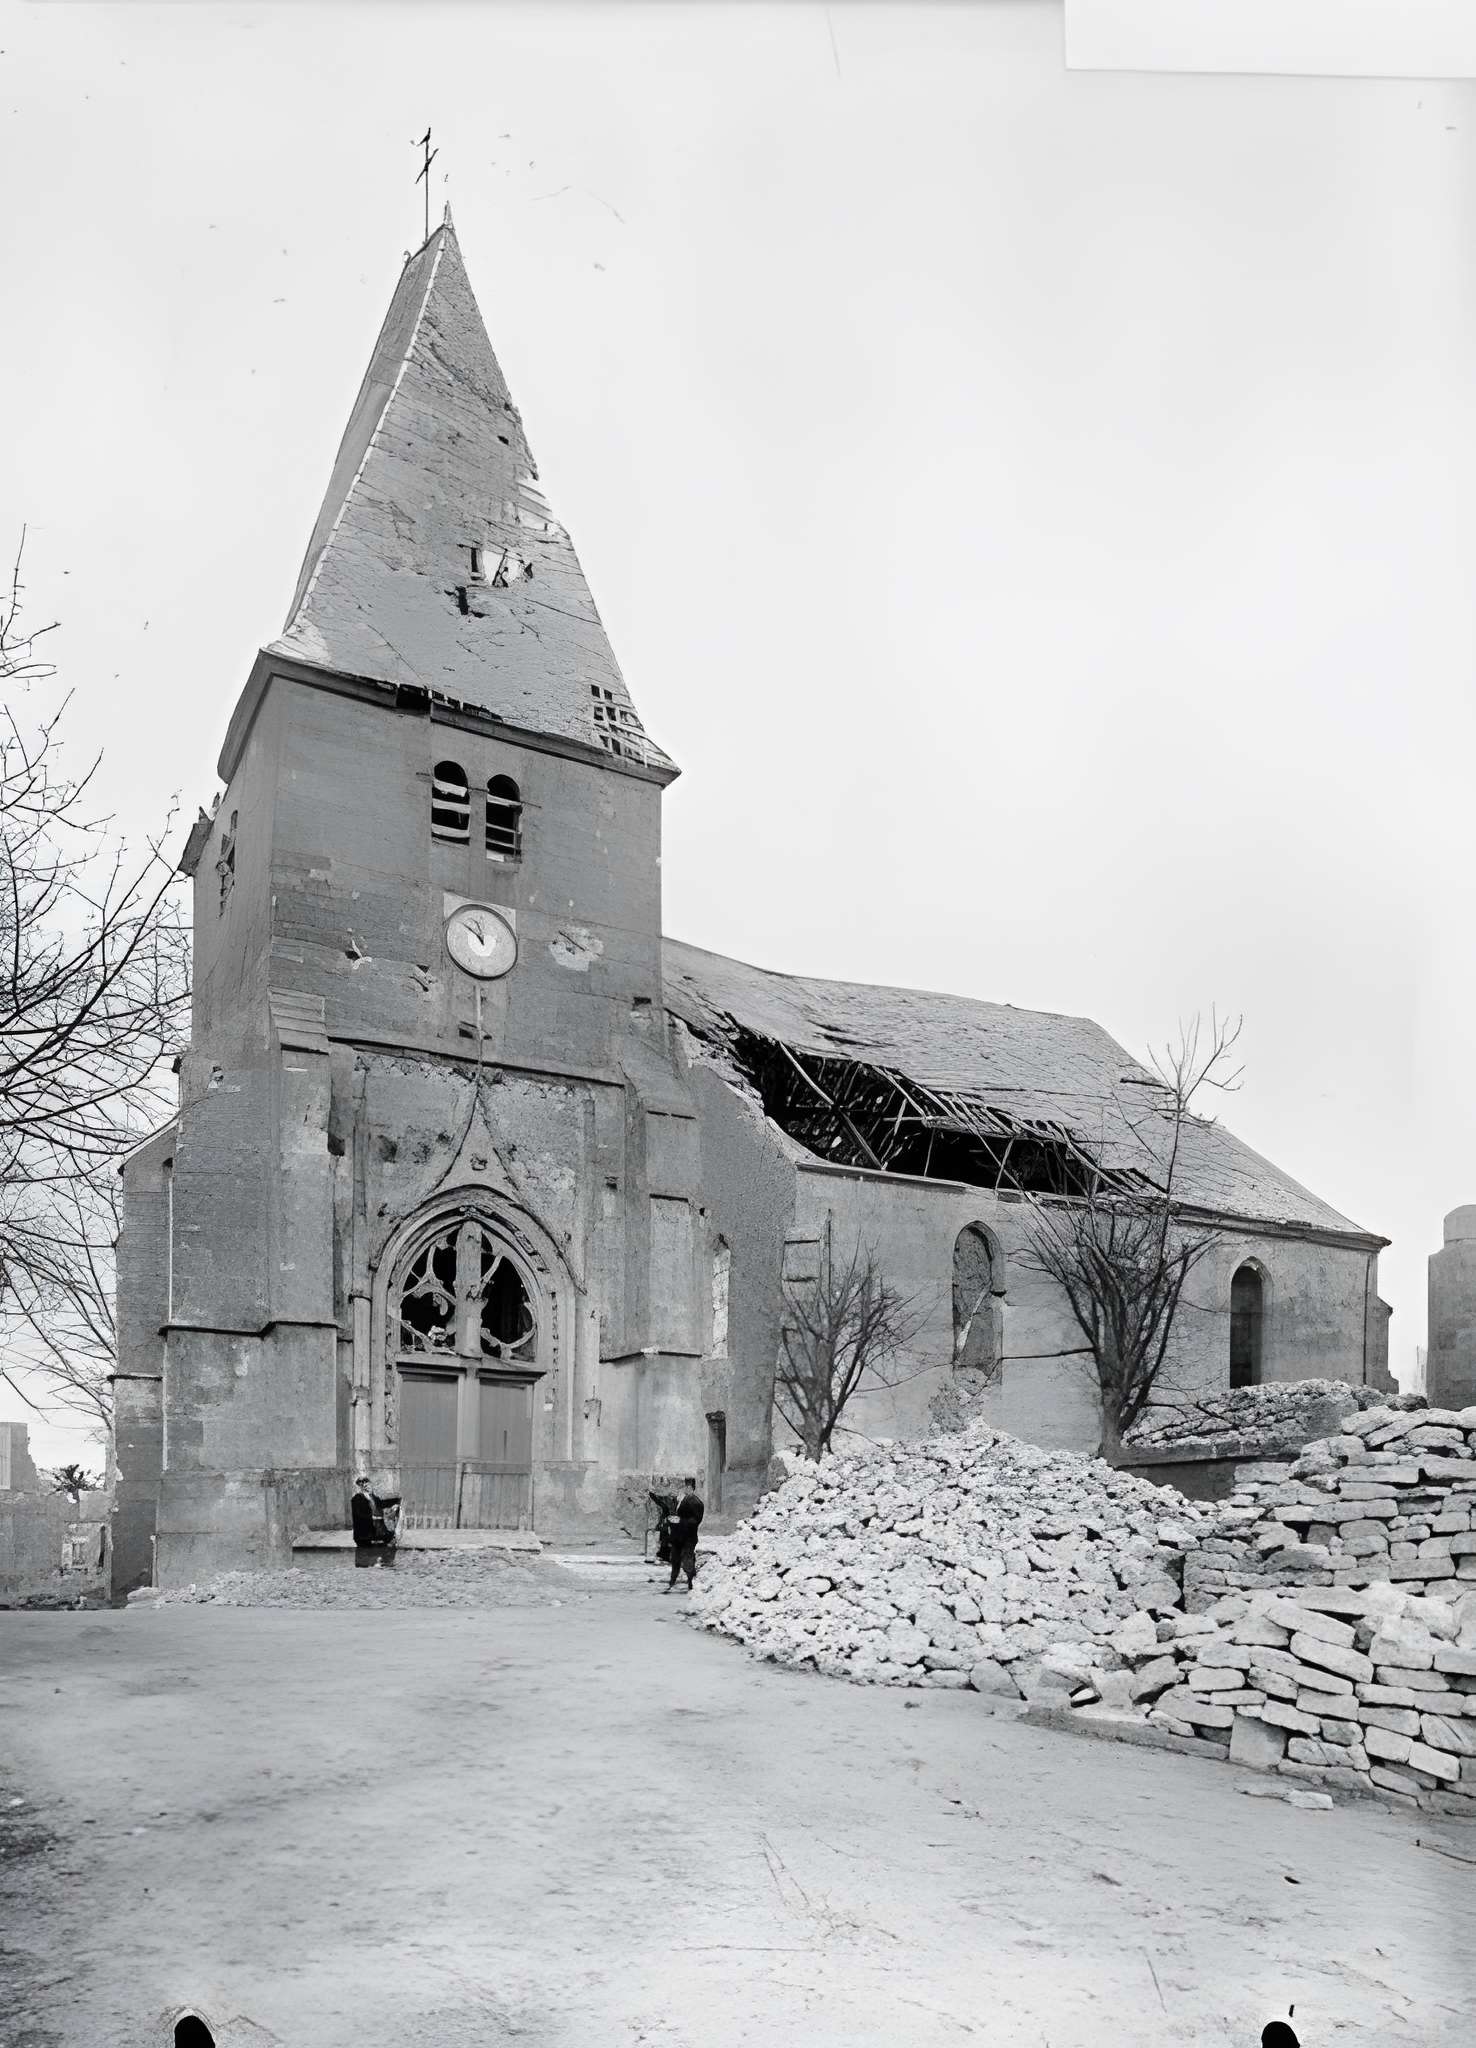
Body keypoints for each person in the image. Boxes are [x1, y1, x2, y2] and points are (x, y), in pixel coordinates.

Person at [663, 1477, 704, 1593]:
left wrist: (680, 1521)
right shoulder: (683, 1499)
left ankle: (691, 1583)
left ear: (693, 1488)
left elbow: (696, 1520)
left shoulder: (695, 1502)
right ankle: (672, 1583)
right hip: (678, 1537)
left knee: (687, 1560)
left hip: (688, 1537)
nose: (686, 1489)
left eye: (689, 1487)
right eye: (686, 1486)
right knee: (675, 1560)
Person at [350, 1476, 402, 1560]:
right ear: (359, 1487)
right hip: (366, 1531)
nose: (366, 1487)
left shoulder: (372, 1497)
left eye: (367, 1485)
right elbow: (358, 1516)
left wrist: (397, 1501)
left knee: (391, 1538)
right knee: (374, 1550)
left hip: (378, 1527)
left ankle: (384, 1559)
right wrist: (372, 1517)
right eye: (363, 1485)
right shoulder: (357, 1499)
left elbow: (381, 1503)